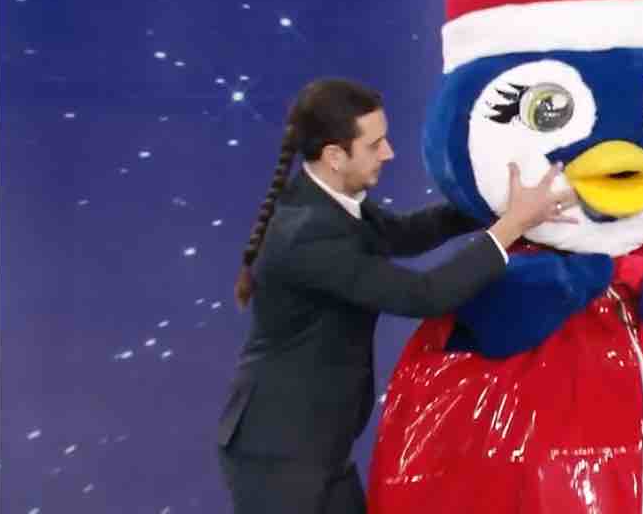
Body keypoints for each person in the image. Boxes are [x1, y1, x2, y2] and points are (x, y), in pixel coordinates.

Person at [214, 78, 575, 514]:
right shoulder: (308, 234)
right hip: (278, 453)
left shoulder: (329, 200)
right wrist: (511, 226)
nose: (388, 153)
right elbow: (424, 295)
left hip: (312, 447)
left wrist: (491, 203)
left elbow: (406, 233)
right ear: (334, 156)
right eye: (374, 145)